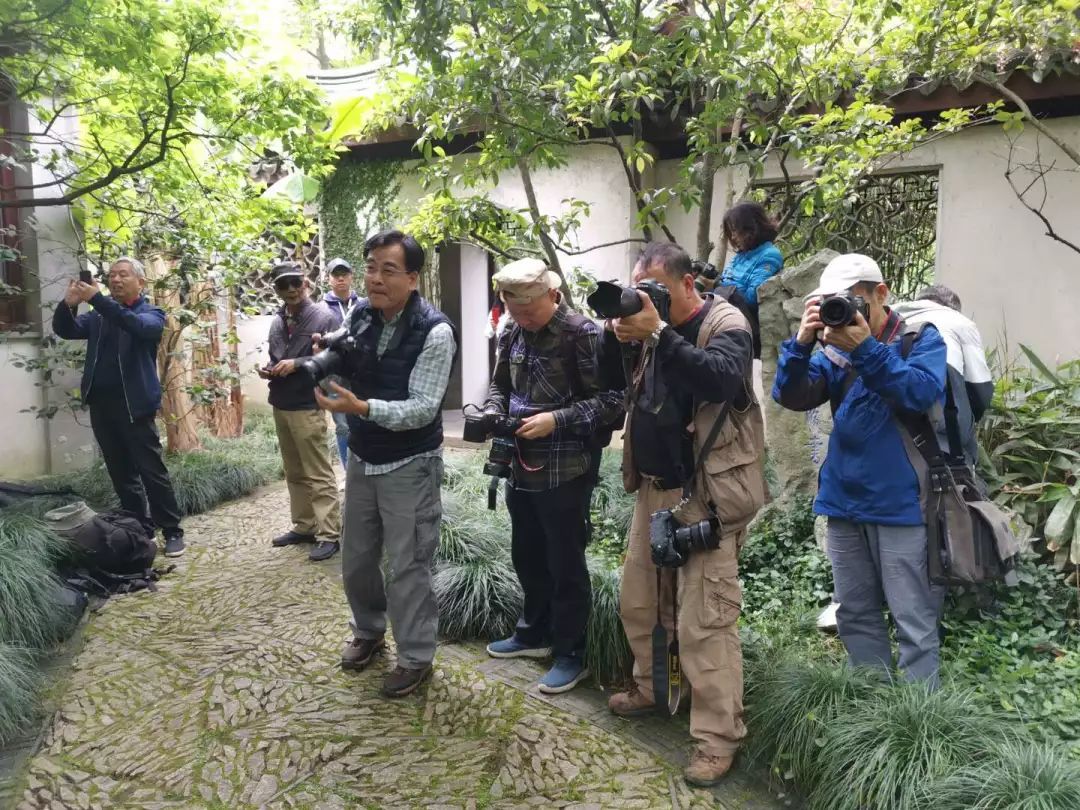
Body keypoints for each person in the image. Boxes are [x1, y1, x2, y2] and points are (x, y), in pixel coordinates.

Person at [603, 242, 767, 787]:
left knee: (705, 620)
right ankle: (654, 689)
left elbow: (720, 379)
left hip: (706, 495)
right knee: (641, 602)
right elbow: (615, 389)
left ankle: (718, 738)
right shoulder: (646, 330)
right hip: (654, 489)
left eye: (656, 291)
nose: (646, 301)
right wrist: (617, 335)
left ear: (687, 285)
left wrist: (657, 333)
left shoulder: (726, 323)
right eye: (639, 290)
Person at [772, 253, 949, 688]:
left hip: (903, 504)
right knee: (854, 612)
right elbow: (792, 396)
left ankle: (917, 717)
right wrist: (801, 344)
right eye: (832, 303)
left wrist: (866, 349)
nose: (844, 312)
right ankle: (873, 703)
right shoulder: (834, 350)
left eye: (852, 301)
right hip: (844, 502)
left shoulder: (920, 339)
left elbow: (919, 393)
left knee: (913, 618)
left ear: (880, 293)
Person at [314, 230, 458, 699]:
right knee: (356, 557)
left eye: (388, 270)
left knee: (409, 563)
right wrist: (311, 365)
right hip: (364, 454)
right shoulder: (359, 314)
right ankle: (369, 631)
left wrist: (361, 408)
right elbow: (347, 359)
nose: (375, 278)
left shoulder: (435, 331)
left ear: (412, 278)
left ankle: (415, 657)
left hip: (410, 463)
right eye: (371, 267)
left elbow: (422, 408)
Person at [481, 259, 624, 695]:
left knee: (565, 562)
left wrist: (555, 420)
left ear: (551, 295)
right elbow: (500, 385)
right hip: (519, 460)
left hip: (567, 467)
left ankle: (570, 653)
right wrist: (493, 410)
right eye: (514, 310)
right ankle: (533, 633)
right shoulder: (511, 330)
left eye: (528, 310)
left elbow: (613, 401)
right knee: (526, 552)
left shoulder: (583, 334)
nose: (521, 318)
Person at [52, 257, 187, 557]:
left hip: (134, 405)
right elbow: (66, 330)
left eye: (123, 275)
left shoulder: (151, 313)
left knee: (151, 471)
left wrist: (97, 300)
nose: (115, 280)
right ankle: (140, 529)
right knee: (121, 473)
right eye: (112, 275)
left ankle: (172, 530)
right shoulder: (98, 317)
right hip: (102, 405)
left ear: (141, 282)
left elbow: (136, 326)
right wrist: (69, 305)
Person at [258, 263, 342, 562]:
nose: (292, 289)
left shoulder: (324, 316)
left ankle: (329, 534)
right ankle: (305, 526)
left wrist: (297, 363)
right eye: (284, 285)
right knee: (294, 471)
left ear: (306, 283)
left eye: (296, 282)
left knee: (318, 472)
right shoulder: (278, 320)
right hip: (281, 402)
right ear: (276, 289)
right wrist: (270, 369)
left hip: (308, 403)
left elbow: (336, 358)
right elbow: (277, 357)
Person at [894, 284, 993, 467]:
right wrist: (968, 422)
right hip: (939, 426)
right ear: (953, 307)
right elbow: (981, 390)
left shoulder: (892, 315)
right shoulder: (960, 322)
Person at [323, 257, 361, 471]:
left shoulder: (364, 304)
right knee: (343, 426)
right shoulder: (321, 309)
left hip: (361, 374)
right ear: (328, 279)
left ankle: (364, 471)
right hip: (335, 377)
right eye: (335, 275)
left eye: (344, 274)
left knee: (364, 420)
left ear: (351, 276)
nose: (340, 279)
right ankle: (349, 473)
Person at [719, 201, 784, 309]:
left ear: (750, 228)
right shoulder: (741, 256)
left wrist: (716, 285)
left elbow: (751, 299)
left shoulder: (770, 255)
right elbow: (725, 281)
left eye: (735, 231)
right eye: (731, 232)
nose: (733, 237)